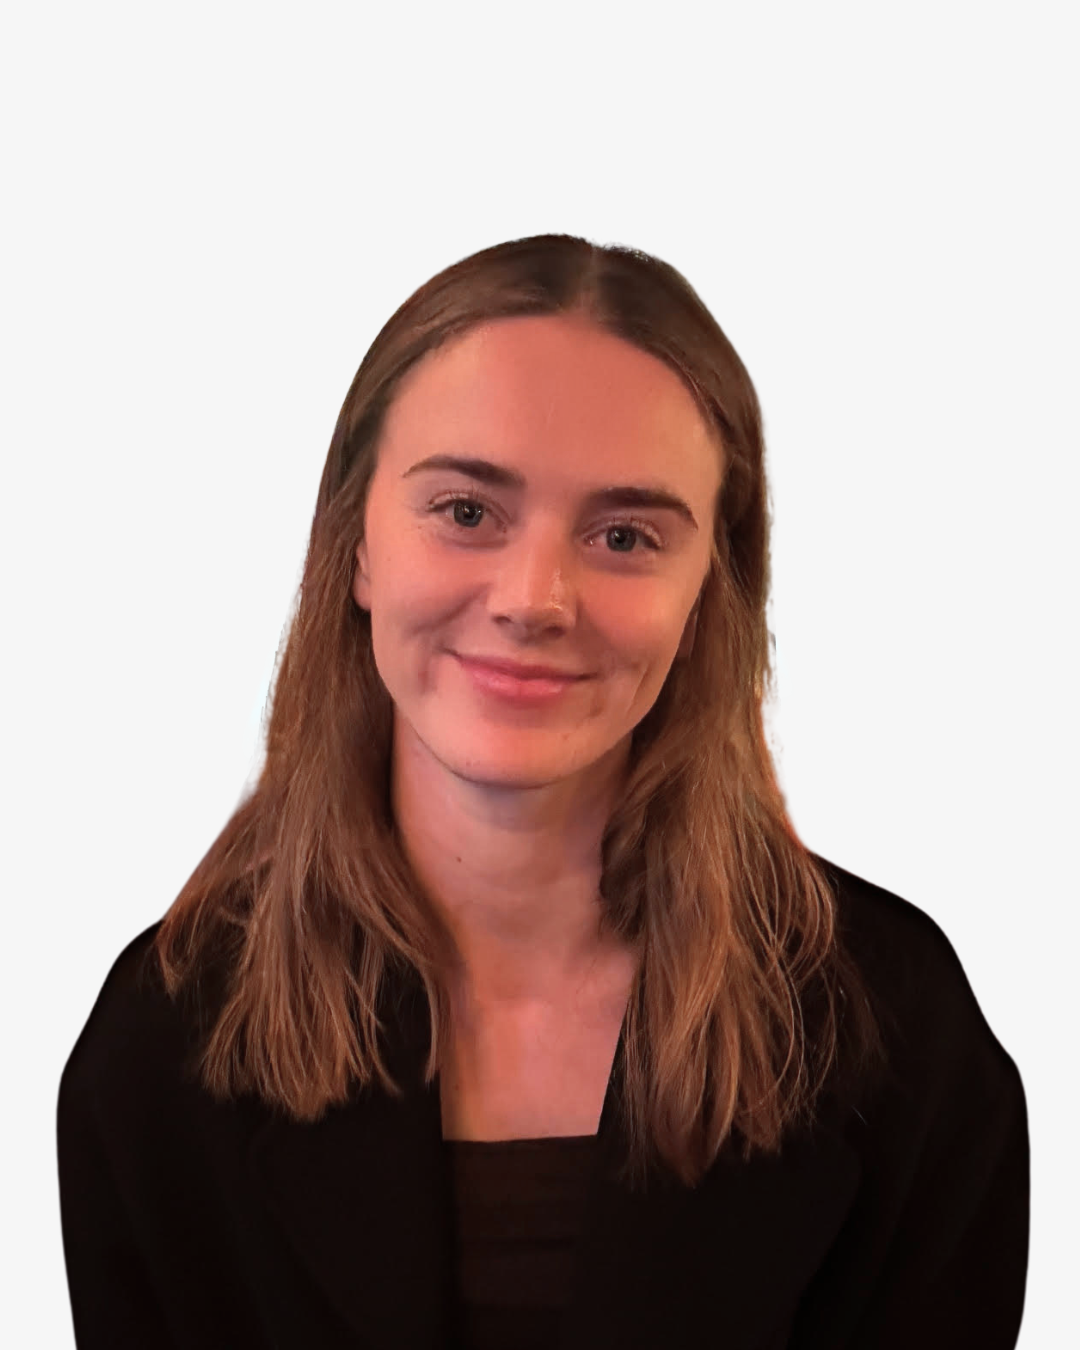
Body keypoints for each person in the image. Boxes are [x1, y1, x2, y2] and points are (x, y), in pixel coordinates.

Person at [57, 234, 1029, 1350]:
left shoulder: (898, 1035)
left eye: (624, 535)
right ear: (357, 546)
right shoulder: (164, 1038)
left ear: (710, 589)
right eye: (467, 511)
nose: (535, 599)